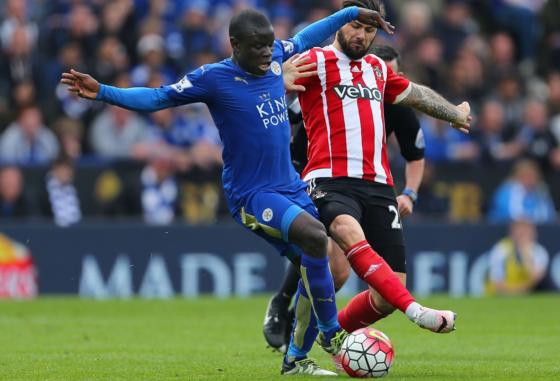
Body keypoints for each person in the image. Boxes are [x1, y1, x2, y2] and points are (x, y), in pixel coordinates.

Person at [61, 6, 394, 376]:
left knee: (323, 263)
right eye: (258, 47)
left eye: (270, 46)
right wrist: (104, 92)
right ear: (235, 45)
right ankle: (332, 334)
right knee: (316, 238)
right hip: (252, 194)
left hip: (290, 185)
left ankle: (296, 359)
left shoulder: (275, 58)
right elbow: (158, 97)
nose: (268, 53)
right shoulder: (214, 78)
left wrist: (350, 11)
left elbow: (309, 35)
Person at [269, 0, 471, 367]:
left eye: (368, 29)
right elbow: (269, 73)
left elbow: (418, 94)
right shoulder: (317, 60)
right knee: (345, 240)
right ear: (340, 23)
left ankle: (331, 341)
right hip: (328, 178)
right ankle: (414, 311)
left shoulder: (378, 69)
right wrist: (279, 76)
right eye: (355, 26)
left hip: (378, 184)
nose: (360, 35)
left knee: (385, 292)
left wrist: (454, 112)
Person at [263, 44, 427, 352]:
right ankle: (281, 307)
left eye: (390, 75)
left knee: (336, 273)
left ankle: (323, 332)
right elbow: (283, 113)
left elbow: (415, 154)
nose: (381, 80)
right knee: (327, 258)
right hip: (308, 168)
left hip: (364, 181)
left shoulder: (398, 106)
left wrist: (410, 193)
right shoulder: (336, 81)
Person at [486, 219, 549, 295]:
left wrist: (526, 254)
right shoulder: (501, 249)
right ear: (512, 234)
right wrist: (519, 290)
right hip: (501, 295)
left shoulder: (539, 251)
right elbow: (497, 283)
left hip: (527, 295)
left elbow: (535, 277)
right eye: (520, 233)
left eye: (526, 233)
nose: (523, 236)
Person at [488, 159, 557, 224]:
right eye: (526, 176)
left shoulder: (541, 191)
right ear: (517, 176)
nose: (530, 180)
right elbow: (509, 215)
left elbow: (549, 215)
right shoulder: (506, 191)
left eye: (533, 176)